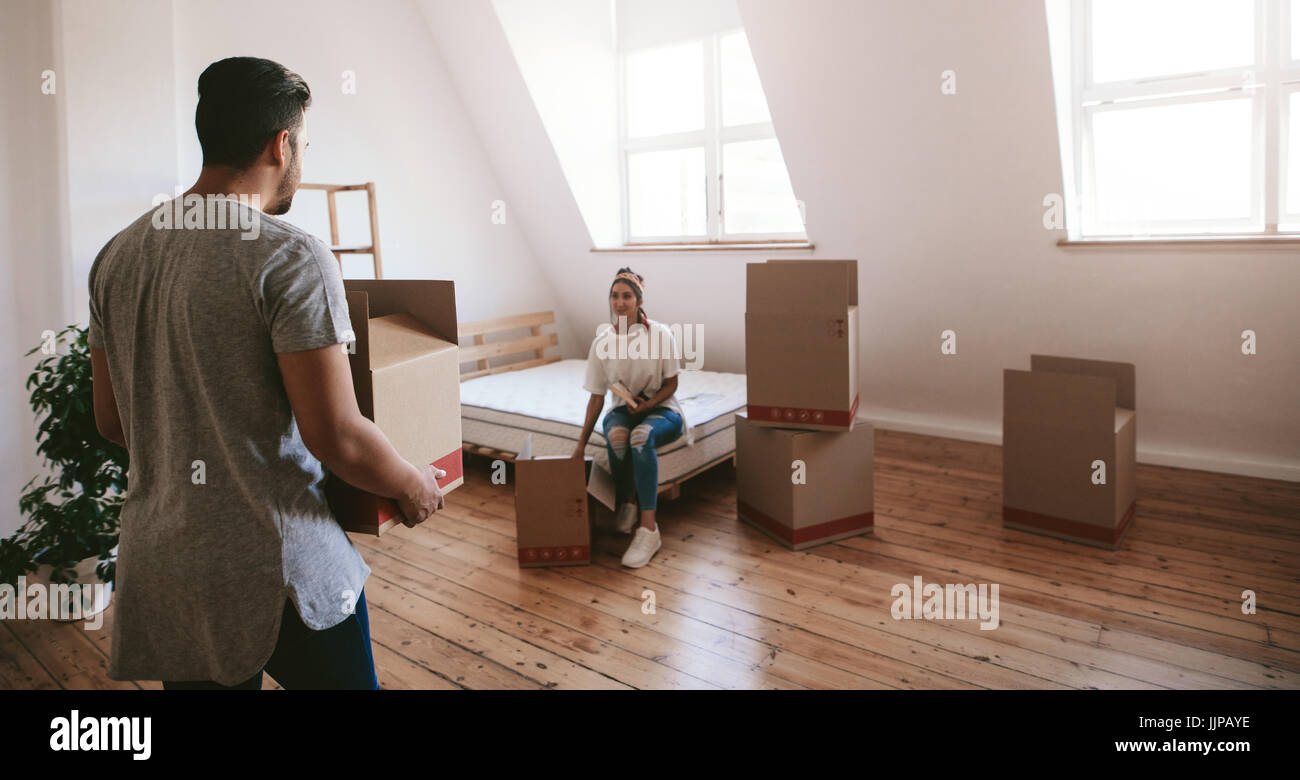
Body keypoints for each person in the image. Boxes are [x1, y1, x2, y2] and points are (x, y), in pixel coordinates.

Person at [88, 56, 444, 690]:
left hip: (167, 561)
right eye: (301, 142)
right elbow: (337, 435)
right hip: (277, 563)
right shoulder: (290, 255)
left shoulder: (116, 255)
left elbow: (114, 421)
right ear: (282, 143)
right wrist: (413, 483)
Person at [573, 268, 691, 568]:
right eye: (614, 296)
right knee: (617, 436)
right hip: (622, 411)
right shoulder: (603, 341)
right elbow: (597, 396)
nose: (620, 302)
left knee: (640, 437)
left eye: (627, 296)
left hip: (662, 410)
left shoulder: (660, 335)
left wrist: (649, 404)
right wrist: (580, 445)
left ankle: (649, 528)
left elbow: (672, 384)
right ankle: (627, 501)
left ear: (639, 300)